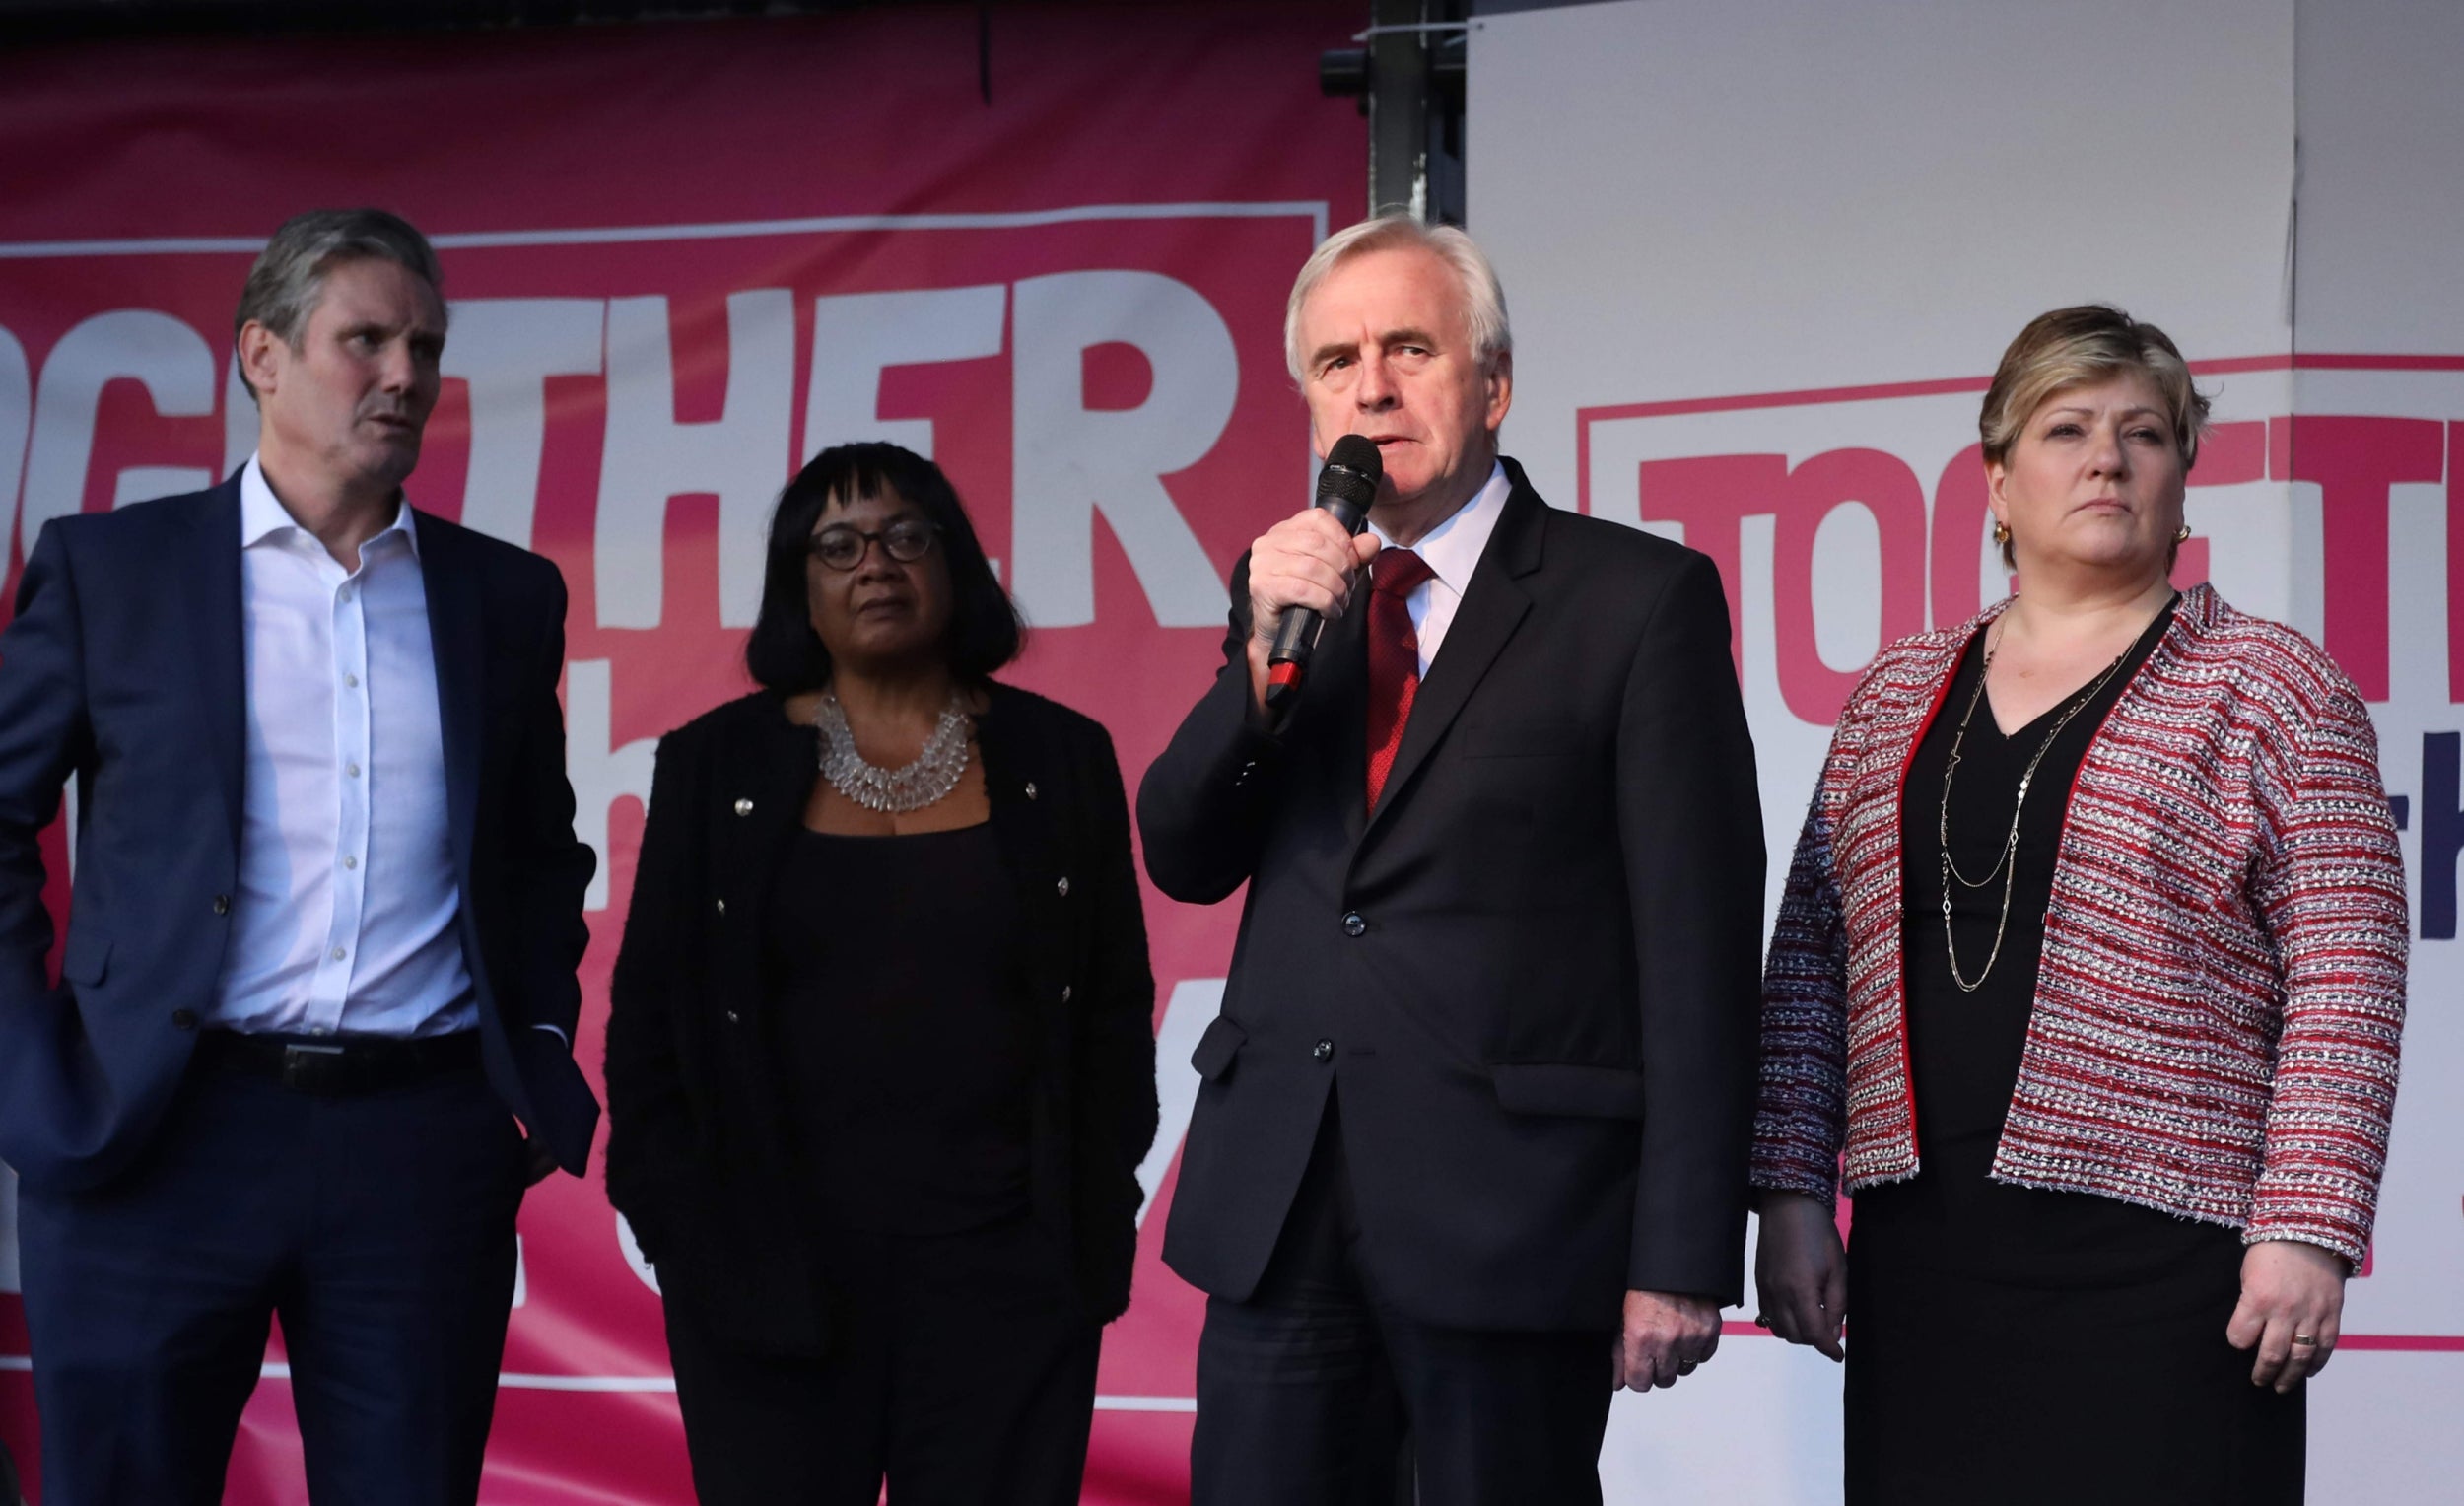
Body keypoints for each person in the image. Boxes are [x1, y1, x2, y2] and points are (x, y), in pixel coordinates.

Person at [1137, 215, 1766, 1506]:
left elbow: (1697, 949)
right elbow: (1184, 852)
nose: (1370, 385)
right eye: (1335, 361)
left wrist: (1683, 1249)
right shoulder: (1293, 590)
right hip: (1282, 1201)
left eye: (1408, 346)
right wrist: (1261, 667)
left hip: (1517, 1216)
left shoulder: (1635, 600)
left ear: (1495, 382)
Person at [1750, 305, 2410, 1506]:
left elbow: (2347, 978)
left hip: (2174, 1278)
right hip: (1924, 1264)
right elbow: (1809, 958)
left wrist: (2307, 1226)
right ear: (1996, 483)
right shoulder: (1894, 695)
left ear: (2180, 477)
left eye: (2143, 432)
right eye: (2065, 429)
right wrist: (1792, 1191)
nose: (2106, 458)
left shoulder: (2271, 687)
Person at [0, 209, 598, 1504]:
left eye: (424, 347)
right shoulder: (117, 570)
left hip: (417, 1145)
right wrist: (32, 1075)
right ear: (262, 357)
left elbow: (540, 856)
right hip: (155, 1134)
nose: (403, 376)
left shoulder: (503, 598)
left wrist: (538, 1049)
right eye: (364, 340)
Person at [601, 441, 1157, 1504]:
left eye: (908, 536)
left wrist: (1089, 1215)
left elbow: (1113, 1010)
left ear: (955, 566)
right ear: (797, 589)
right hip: (767, 1276)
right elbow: (650, 1017)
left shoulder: (1061, 754)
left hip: (1009, 1277)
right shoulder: (715, 764)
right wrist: (677, 1221)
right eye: (839, 546)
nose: (876, 565)